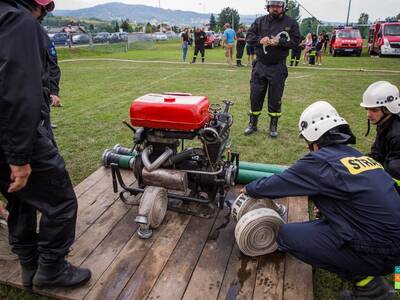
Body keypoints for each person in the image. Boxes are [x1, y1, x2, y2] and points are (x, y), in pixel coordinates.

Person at [244, 101, 400, 300]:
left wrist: (248, 189)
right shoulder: (358, 156)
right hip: (393, 245)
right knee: (324, 221)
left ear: (313, 138)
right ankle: (391, 278)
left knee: (287, 235)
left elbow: (274, 185)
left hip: (382, 252)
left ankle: (371, 287)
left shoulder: (319, 162)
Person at [0, 0, 91, 289]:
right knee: (61, 202)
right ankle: (51, 270)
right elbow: (17, 91)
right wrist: (19, 156)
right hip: (14, 133)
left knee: (20, 199)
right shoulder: (18, 22)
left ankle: (29, 266)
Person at [244, 0, 300, 138]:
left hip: (278, 66)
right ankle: (252, 123)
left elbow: (296, 42)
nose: (275, 8)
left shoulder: (291, 23)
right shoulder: (259, 21)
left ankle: (273, 126)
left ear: (283, 7)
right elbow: (249, 37)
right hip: (260, 65)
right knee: (255, 95)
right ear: (268, 7)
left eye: (278, 6)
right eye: (272, 6)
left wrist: (279, 42)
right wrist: (259, 40)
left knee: (275, 97)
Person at [361, 81, 400, 193]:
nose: (368, 114)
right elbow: (377, 153)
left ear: (388, 109)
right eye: (367, 109)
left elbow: (392, 172)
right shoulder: (385, 123)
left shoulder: (396, 135)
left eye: (374, 110)